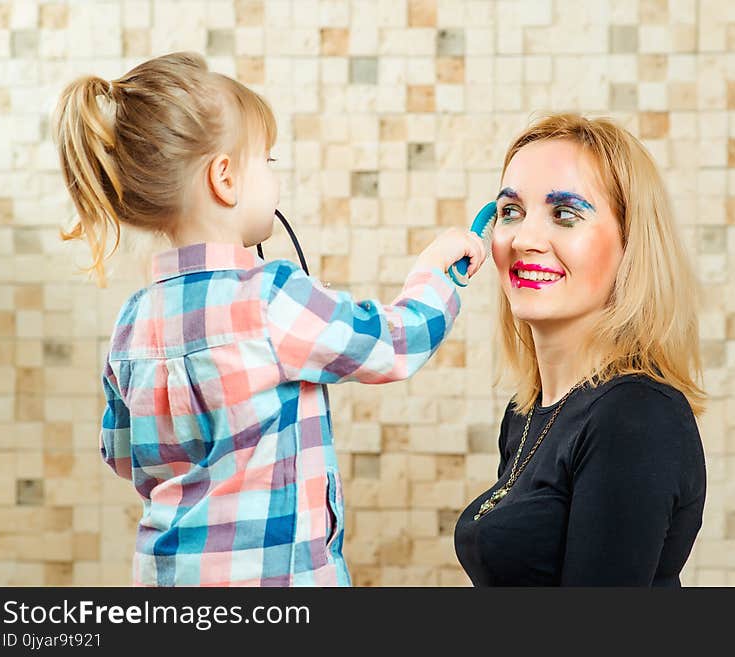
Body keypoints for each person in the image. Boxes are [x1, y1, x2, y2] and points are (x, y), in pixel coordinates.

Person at [52, 51, 485, 586]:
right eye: (268, 161)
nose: (274, 177)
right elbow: (395, 344)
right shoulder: (272, 296)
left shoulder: (131, 322)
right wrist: (435, 277)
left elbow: (121, 456)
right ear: (225, 178)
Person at [454, 113, 707, 586]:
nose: (524, 239)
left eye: (565, 215)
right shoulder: (527, 412)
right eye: (510, 212)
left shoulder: (635, 416)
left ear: (631, 245)